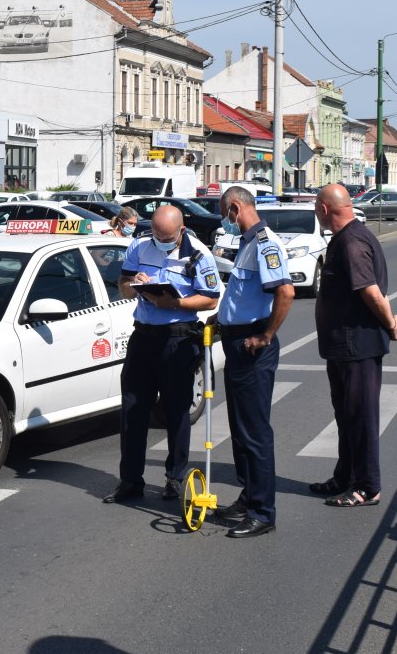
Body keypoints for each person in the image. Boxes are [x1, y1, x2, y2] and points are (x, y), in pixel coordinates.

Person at [105, 205, 220, 504]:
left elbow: (210, 299)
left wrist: (176, 304)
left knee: (177, 412)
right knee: (132, 409)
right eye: (156, 234)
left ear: (181, 230)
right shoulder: (140, 246)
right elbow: (123, 287)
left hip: (178, 338)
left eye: (166, 237)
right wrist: (134, 285)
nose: (160, 240)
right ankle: (130, 480)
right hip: (144, 335)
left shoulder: (198, 254)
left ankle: (175, 477)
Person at [312, 184, 397, 508]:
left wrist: (389, 323)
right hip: (344, 346)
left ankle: (367, 486)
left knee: (360, 417)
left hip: (357, 346)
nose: (316, 212)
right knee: (345, 415)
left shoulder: (352, 241)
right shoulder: (347, 238)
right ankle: (345, 477)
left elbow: (369, 290)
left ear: (326, 210)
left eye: (317, 206)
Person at [212, 187, 295, 538]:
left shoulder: (264, 243)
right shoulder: (248, 241)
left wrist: (266, 335)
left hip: (252, 347)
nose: (225, 220)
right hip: (236, 342)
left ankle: (263, 512)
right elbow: (242, 294)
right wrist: (221, 321)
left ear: (234, 208)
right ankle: (249, 497)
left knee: (255, 432)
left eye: (224, 213)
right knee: (240, 429)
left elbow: (285, 292)